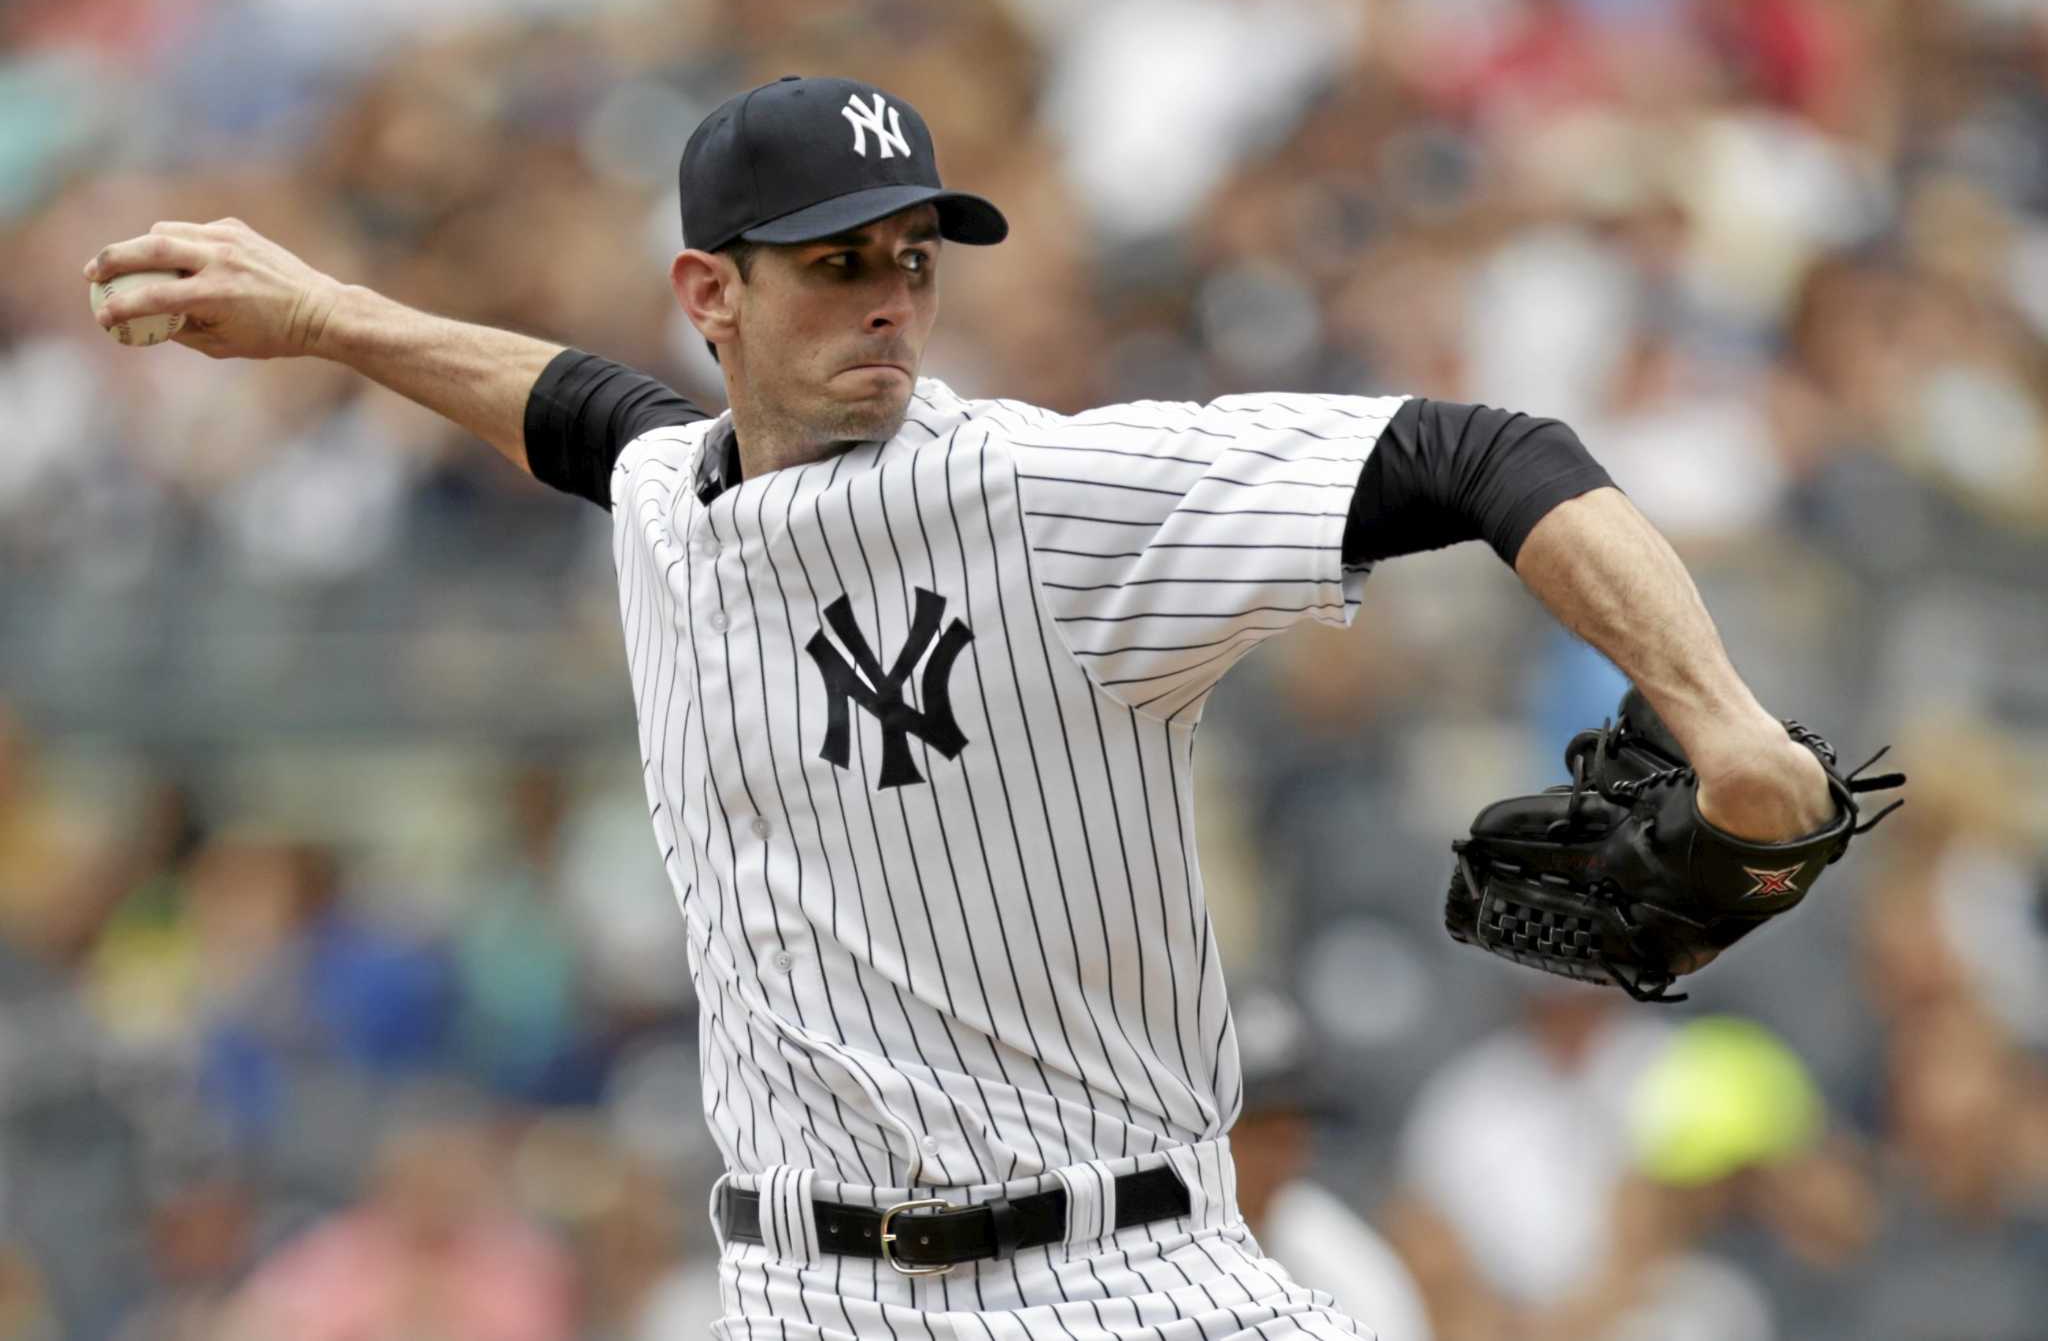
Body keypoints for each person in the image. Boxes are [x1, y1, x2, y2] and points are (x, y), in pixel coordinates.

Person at [85, 74, 1837, 1338]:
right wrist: (321, 315)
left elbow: (1483, 451)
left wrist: (1722, 719)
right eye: (840, 263)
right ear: (716, 293)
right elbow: (571, 408)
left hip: (1127, 1276)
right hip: (803, 1291)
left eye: (913, 255)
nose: (893, 299)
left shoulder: (1048, 498)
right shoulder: (668, 495)